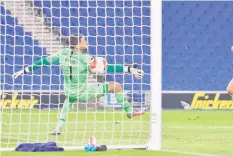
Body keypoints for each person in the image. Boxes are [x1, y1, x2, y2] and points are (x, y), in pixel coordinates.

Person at [12, 34, 145, 135]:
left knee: (69, 100)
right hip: (83, 92)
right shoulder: (85, 58)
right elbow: (108, 68)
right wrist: (129, 69)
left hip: (69, 90)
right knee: (115, 86)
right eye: (83, 40)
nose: (86, 42)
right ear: (77, 45)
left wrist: (24, 70)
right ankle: (129, 111)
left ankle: (58, 127)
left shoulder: (63, 53)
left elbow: (43, 62)